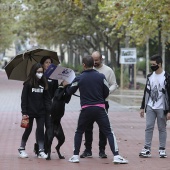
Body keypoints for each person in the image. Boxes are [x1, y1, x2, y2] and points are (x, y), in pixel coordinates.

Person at [63, 55, 128, 164]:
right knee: (109, 132)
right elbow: (106, 91)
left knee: (79, 131)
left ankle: (75, 156)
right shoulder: (101, 76)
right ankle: (116, 156)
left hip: (86, 109)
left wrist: (66, 85)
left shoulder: (79, 78)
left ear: (83, 65)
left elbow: (69, 91)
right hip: (100, 109)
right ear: (93, 64)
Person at [80, 51, 118, 158]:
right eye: (93, 60)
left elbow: (114, 84)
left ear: (101, 59)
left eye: (96, 60)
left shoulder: (108, 70)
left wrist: (106, 92)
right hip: (89, 103)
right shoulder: (88, 70)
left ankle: (102, 150)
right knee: (88, 127)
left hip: (103, 102)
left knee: (103, 128)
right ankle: (88, 150)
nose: (94, 62)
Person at [139, 54, 170, 158]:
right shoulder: (150, 76)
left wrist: (169, 111)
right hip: (150, 106)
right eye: (151, 64)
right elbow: (146, 92)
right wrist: (142, 107)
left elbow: (169, 95)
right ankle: (147, 149)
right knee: (149, 127)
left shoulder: (167, 77)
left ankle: (162, 149)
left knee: (162, 128)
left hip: (162, 107)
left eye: (154, 64)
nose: (152, 66)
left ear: (159, 64)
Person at [18, 63, 51, 159]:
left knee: (41, 130)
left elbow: (47, 98)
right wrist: (24, 112)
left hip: (41, 112)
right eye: (38, 72)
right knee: (28, 129)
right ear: (34, 72)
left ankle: (40, 150)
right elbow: (23, 99)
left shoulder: (43, 83)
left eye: (41, 72)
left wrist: (49, 109)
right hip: (29, 112)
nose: (40, 74)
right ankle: (21, 148)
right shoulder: (28, 84)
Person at [34, 56, 58, 155]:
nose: (48, 64)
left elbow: (56, 91)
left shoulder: (53, 76)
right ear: (42, 64)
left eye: (50, 62)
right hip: (39, 106)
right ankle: (39, 147)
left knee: (49, 127)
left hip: (49, 105)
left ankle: (47, 147)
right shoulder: (38, 76)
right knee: (40, 127)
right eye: (46, 62)